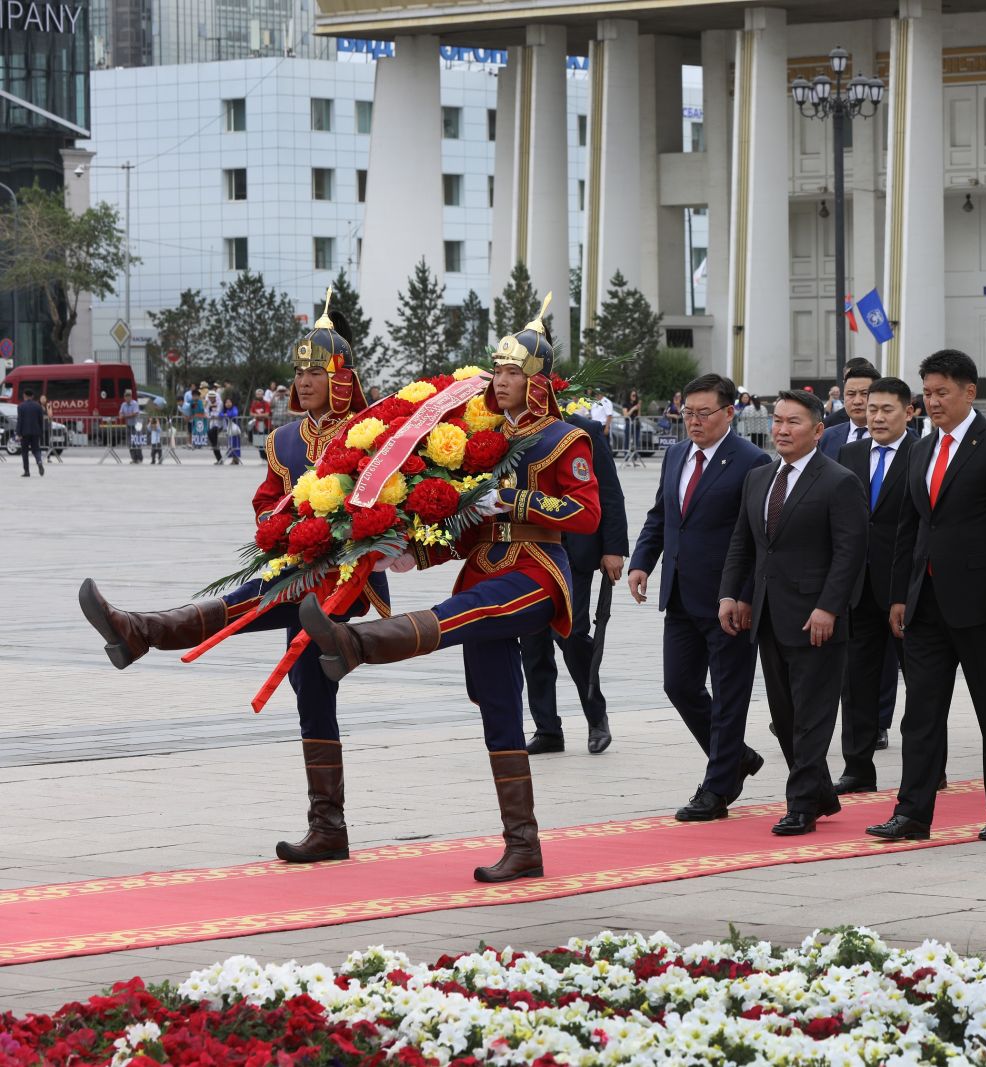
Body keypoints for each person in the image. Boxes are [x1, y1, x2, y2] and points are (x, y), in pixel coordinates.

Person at [78, 306, 390, 868]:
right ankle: (329, 827)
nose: (304, 382)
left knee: (256, 610)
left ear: (341, 377)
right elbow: (267, 498)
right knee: (307, 685)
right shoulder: (286, 439)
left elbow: (388, 500)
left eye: (316, 372)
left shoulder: (370, 433)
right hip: (295, 567)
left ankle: (142, 631)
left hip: (344, 575)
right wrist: (277, 524)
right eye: (299, 373)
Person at [298, 318, 600, 883]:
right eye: (499, 370)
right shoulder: (486, 441)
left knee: (461, 614)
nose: (501, 380)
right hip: (483, 566)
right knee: (499, 707)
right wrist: (414, 553)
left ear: (538, 382)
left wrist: (514, 499)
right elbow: (468, 527)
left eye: (514, 372)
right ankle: (523, 845)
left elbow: (586, 513)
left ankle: (355, 644)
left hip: (534, 569)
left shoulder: (566, 439)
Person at [867, 349, 986, 843]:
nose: (933, 401)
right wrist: (900, 595)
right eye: (928, 393)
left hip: (984, 604)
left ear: (969, 392)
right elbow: (911, 527)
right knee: (920, 713)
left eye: (942, 392)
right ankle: (912, 813)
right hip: (926, 603)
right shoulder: (921, 448)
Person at [719, 390, 868, 835]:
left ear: (818, 430)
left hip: (816, 619)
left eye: (793, 422)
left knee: (811, 716)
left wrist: (829, 607)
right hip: (768, 615)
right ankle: (821, 794)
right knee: (784, 717)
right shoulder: (759, 478)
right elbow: (744, 544)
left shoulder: (839, 481)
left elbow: (850, 553)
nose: (781, 430)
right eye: (777, 420)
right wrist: (732, 595)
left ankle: (801, 804)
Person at [629, 373, 773, 821]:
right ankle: (737, 757)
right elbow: (661, 516)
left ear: (729, 413)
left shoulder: (751, 461)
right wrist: (641, 562)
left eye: (703, 413)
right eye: (687, 412)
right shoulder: (676, 455)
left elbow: (757, 539)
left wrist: (743, 595)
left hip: (727, 601)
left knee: (730, 695)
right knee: (679, 685)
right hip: (679, 593)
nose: (693, 421)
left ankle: (717, 787)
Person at [520, 407, 628, 756]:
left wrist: (613, 549)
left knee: (573, 634)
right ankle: (547, 729)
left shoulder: (584, 430)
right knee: (533, 643)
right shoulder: (510, 432)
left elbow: (609, 493)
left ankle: (596, 716)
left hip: (572, 552)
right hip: (530, 552)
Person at [836, 376, 920, 792]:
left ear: (909, 412)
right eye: (872, 409)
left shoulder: (923, 452)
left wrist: (907, 590)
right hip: (857, 588)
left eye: (887, 410)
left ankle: (926, 767)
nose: (878, 417)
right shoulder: (849, 454)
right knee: (856, 682)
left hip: (909, 590)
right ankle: (857, 768)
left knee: (920, 683)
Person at [819, 363, 878, 459]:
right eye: (851, 394)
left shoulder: (892, 437)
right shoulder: (826, 437)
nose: (857, 401)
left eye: (864, 393)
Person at [15, 388, 45, 477]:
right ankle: (39, 462)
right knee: (36, 449)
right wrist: (41, 432)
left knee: (24, 452)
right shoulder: (38, 406)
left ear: (24, 396)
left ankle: (27, 471)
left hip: (24, 433)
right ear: (32, 396)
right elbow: (41, 420)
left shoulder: (20, 406)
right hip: (36, 431)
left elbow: (20, 420)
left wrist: (18, 433)